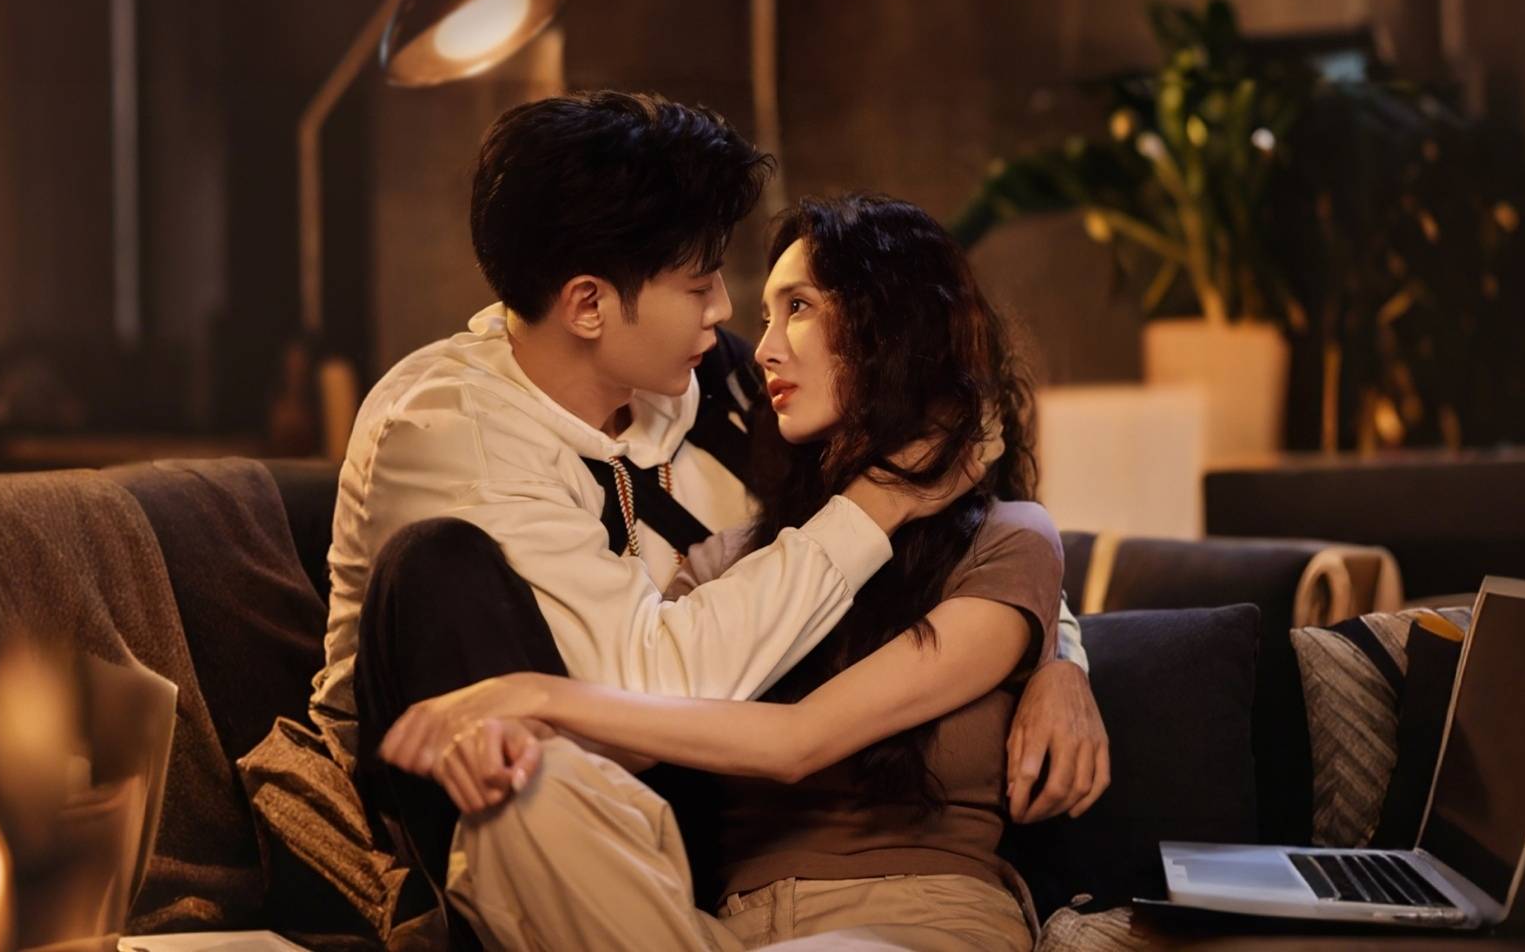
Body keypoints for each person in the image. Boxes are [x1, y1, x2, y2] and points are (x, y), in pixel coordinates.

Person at [305, 92, 1107, 922]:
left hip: (695, 809)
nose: (727, 312)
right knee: (437, 572)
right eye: (699, 286)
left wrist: (1055, 657)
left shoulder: (714, 378)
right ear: (588, 305)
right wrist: (879, 503)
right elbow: (653, 684)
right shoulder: (449, 433)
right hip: (520, 801)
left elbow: (964, 506)